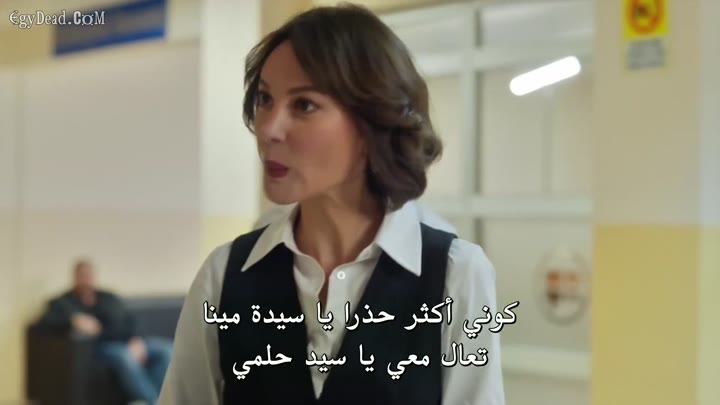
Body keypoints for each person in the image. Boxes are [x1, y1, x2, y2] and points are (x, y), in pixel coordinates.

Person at [159, 3, 505, 405]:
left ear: (371, 120)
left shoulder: (455, 275)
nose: (269, 129)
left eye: (303, 105)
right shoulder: (224, 276)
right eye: (265, 99)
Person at [38, 259, 173, 405]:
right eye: (81, 276)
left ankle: (161, 398)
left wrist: (136, 339)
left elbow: (129, 319)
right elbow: (45, 322)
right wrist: (73, 320)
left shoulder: (108, 298)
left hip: (129, 340)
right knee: (125, 357)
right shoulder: (64, 303)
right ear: (75, 278)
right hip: (104, 347)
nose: (85, 280)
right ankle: (152, 401)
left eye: (88, 275)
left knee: (167, 349)